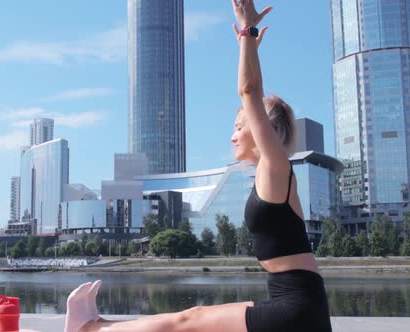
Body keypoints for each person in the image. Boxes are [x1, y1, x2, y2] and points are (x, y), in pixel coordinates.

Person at [64, 1, 332, 331]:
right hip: (289, 299)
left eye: (239, 125)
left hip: (297, 307)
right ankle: (99, 323)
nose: (233, 136)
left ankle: (89, 329)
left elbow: (249, 90)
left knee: (191, 320)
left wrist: (247, 33)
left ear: (266, 131)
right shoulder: (269, 175)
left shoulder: (275, 166)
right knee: (195, 315)